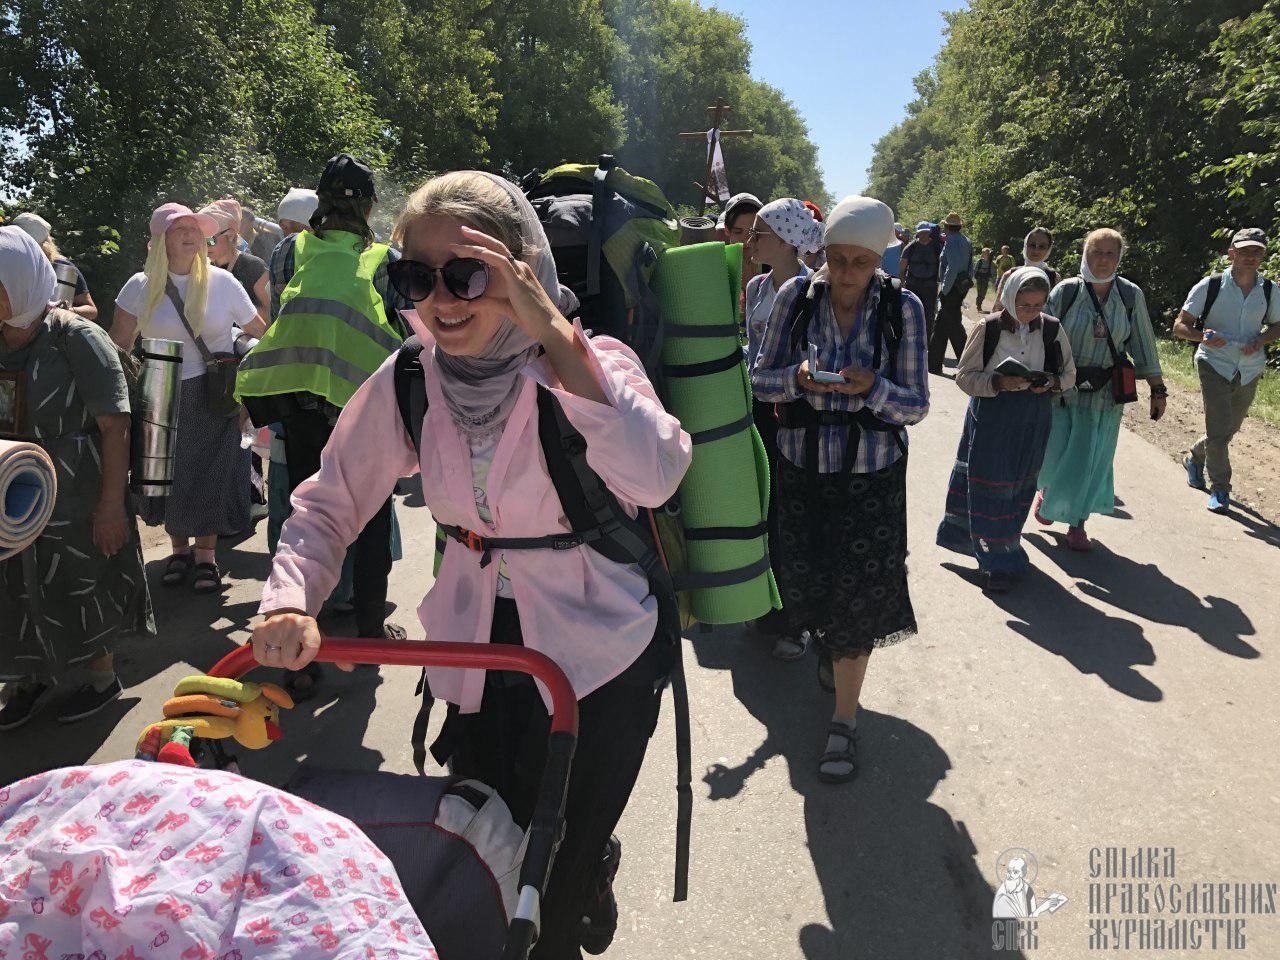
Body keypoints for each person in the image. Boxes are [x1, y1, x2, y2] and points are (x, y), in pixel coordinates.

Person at [250, 170, 693, 958]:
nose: (442, 300)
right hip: (477, 649)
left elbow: (655, 474)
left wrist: (558, 339)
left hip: (603, 655)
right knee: (484, 847)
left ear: (523, 271)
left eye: (468, 274)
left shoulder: (594, 362)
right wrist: (290, 600)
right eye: (417, 277)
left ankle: (579, 885)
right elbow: (328, 501)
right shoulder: (410, 378)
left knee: (555, 873)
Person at [751, 196, 929, 783]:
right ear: (820, 251)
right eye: (836, 258)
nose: (846, 273)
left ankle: (843, 722)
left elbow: (916, 405)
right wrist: (797, 381)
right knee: (803, 584)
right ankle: (830, 653)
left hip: (871, 478)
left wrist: (872, 387)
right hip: (801, 471)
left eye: (860, 261)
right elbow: (761, 377)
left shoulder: (903, 310)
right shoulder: (791, 300)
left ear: (879, 259)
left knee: (858, 596)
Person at [238, 153, 411, 671]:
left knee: (305, 510)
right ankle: (370, 630)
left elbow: (283, 311)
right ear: (371, 205)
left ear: (320, 202)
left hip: (299, 395)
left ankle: (299, 650)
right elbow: (402, 326)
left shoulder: (291, 249)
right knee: (373, 511)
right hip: (364, 399)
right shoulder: (386, 257)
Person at [0, 226, 155, 729]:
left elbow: (115, 424)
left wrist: (111, 505)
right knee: (14, 583)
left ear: (21, 283)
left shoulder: (77, 337)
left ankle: (100, 677)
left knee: (84, 575)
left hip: (78, 487)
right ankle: (29, 676)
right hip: (11, 486)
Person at [111, 203, 257, 592]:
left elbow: (260, 332)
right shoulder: (139, 286)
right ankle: (178, 550)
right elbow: (119, 347)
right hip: (158, 390)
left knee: (211, 471)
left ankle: (206, 556)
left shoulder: (223, 283)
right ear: (161, 240)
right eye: (180, 230)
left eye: (196, 228)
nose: (192, 234)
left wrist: (249, 384)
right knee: (167, 474)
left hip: (215, 393)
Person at [937, 267, 1076, 592]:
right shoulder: (989, 328)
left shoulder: (1052, 329)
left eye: (1038, 305)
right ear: (1009, 297)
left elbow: (1069, 374)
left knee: (1018, 490)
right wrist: (999, 382)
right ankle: (994, 565)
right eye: (1023, 304)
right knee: (989, 488)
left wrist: (1051, 382)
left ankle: (1005, 549)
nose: (1030, 313)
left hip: (1033, 417)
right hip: (992, 418)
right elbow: (965, 376)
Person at [1035, 229, 1166, 550]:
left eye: (1110, 253)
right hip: (1064, 390)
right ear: (1085, 254)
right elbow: (1042, 337)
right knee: (1055, 454)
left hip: (1106, 395)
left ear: (1119, 257)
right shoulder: (1066, 292)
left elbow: (1143, 343)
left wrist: (1157, 388)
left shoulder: (1129, 296)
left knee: (1091, 460)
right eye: (1097, 252)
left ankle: (1077, 524)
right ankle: (1048, 493)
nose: (1103, 259)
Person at [743, 198, 821, 637]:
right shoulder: (755, 288)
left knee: (793, 514)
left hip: (800, 414)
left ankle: (794, 620)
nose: (750, 241)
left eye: (759, 233)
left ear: (788, 242)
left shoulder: (817, 290)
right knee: (762, 510)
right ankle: (764, 604)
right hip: (758, 409)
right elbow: (752, 352)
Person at [1172, 228, 1280, 513]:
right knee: (1219, 432)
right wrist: (1203, 336)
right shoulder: (1211, 285)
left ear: (1262, 256)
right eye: (1244, 251)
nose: (1250, 257)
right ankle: (1220, 489)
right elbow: (1180, 326)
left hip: (1250, 368)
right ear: (1231, 253)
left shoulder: (1269, 290)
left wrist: (1262, 339)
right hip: (1213, 363)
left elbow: (1278, 325)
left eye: (1256, 251)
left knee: (1227, 430)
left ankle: (1195, 457)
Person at [12, 212, 99, 324]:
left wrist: (65, 311)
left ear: (44, 245)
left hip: (49, 336)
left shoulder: (63, 269)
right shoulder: (7, 263)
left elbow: (91, 311)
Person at [202, 198, 269, 334]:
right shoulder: (201, 267)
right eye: (200, 240)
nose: (205, 246)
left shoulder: (254, 267)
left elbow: (274, 313)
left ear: (231, 235)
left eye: (210, 240)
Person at [932, 211, 975, 374]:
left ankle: (968, 364)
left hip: (952, 289)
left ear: (947, 227)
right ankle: (933, 364)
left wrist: (945, 289)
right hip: (961, 287)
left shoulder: (951, 240)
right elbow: (970, 266)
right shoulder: (966, 241)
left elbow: (953, 267)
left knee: (953, 326)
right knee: (941, 325)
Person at [995, 227, 1059, 301]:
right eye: (1032, 245)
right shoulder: (1010, 275)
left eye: (1042, 247)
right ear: (1025, 245)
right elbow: (999, 307)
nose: (1036, 250)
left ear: (1048, 249)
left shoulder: (1054, 278)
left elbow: (1057, 308)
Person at [900, 221, 941, 335]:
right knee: (911, 313)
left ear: (930, 232)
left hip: (930, 287)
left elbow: (943, 267)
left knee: (929, 315)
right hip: (913, 286)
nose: (923, 234)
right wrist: (903, 284)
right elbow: (902, 269)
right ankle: (911, 337)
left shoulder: (937, 248)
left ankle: (927, 341)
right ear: (918, 233)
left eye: (926, 232)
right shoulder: (910, 248)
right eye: (921, 232)